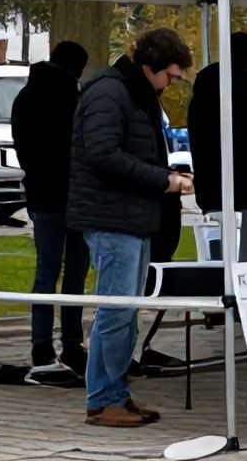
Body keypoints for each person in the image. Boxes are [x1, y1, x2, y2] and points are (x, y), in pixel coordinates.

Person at [69, 28, 194, 427]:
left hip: (130, 216)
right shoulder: (110, 93)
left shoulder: (132, 92)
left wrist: (165, 173)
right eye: (170, 75)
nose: (171, 83)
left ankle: (116, 393)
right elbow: (104, 155)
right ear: (148, 66)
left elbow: (125, 152)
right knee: (115, 311)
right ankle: (102, 398)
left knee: (124, 312)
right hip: (112, 218)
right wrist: (164, 181)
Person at [10, 40, 91, 377]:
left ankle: (40, 345)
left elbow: (21, 145)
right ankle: (72, 343)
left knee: (46, 272)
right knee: (75, 273)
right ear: (78, 68)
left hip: (42, 195)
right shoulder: (75, 100)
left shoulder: (25, 97)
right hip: (76, 194)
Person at [188, 31, 247, 261]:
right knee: (245, 268)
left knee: (216, 263)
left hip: (211, 192)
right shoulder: (245, 100)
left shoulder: (201, 97)